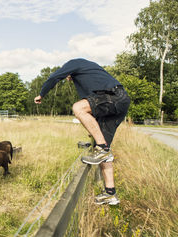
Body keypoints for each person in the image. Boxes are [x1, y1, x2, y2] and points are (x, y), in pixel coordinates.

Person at [34, 58, 130, 205]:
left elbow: (54, 77)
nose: (68, 79)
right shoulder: (90, 74)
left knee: (78, 108)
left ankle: (102, 148)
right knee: (104, 151)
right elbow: (95, 107)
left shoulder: (74, 63)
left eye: (67, 76)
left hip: (113, 96)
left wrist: (41, 94)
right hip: (119, 100)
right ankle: (110, 193)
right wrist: (94, 130)